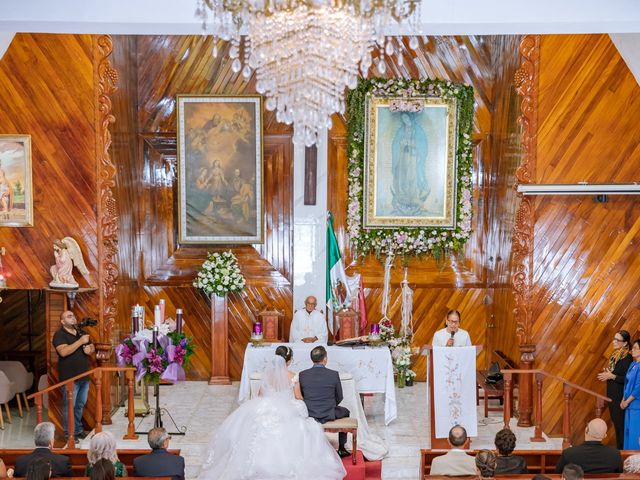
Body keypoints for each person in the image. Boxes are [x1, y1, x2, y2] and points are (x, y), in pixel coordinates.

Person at [198, 356, 345, 479]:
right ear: (289, 361)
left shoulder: (267, 375)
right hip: (286, 408)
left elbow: (260, 395)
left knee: (255, 428)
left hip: (267, 405)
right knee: (301, 424)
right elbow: (298, 397)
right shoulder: (293, 376)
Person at [298, 346, 351, 458]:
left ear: (311, 359)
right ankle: (341, 448)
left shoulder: (302, 374)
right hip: (329, 412)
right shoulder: (333, 374)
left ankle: (307, 446)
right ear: (325, 359)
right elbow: (339, 397)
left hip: (309, 412)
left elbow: (302, 395)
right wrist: (329, 407)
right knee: (346, 411)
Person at [52, 310, 94, 440]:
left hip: (84, 376)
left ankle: (78, 430)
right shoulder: (59, 335)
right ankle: (69, 433)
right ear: (62, 322)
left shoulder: (82, 333)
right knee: (69, 406)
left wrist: (90, 350)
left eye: (73, 315)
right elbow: (63, 352)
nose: (73, 318)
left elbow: (91, 347)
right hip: (70, 377)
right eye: (68, 316)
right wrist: (81, 342)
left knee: (80, 405)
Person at [597, 329, 632, 449]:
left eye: (617, 340)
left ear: (625, 343)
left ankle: (622, 453)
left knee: (621, 426)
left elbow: (627, 380)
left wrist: (611, 376)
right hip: (612, 396)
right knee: (617, 425)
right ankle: (619, 452)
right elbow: (616, 374)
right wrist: (608, 373)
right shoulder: (615, 355)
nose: (614, 341)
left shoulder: (627, 358)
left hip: (619, 397)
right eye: (614, 339)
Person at [554, 418, 622, 474]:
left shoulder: (569, 453)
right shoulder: (615, 454)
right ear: (605, 436)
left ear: (586, 430)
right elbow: (619, 474)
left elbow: (558, 474)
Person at [623, 338, 640, 449]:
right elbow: (626, 383)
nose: (632, 350)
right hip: (628, 405)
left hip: (636, 406)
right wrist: (623, 400)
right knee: (627, 434)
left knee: (635, 435)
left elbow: (638, 387)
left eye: (635, 348)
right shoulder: (632, 364)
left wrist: (627, 401)